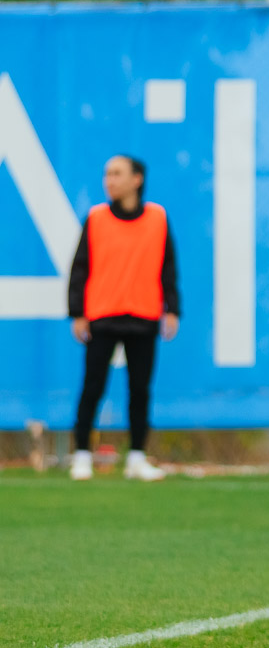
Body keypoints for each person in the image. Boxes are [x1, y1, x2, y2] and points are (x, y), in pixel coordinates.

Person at [66, 155, 180, 482]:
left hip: (143, 316)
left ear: (137, 179)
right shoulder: (96, 218)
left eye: (117, 173)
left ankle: (137, 458)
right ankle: (82, 455)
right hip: (102, 316)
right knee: (92, 387)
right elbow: (80, 268)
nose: (109, 180)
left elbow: (168, 267)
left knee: (140, 390)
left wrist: (172, 308)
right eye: (107, 174)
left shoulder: (157, 218)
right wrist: (77, 312)